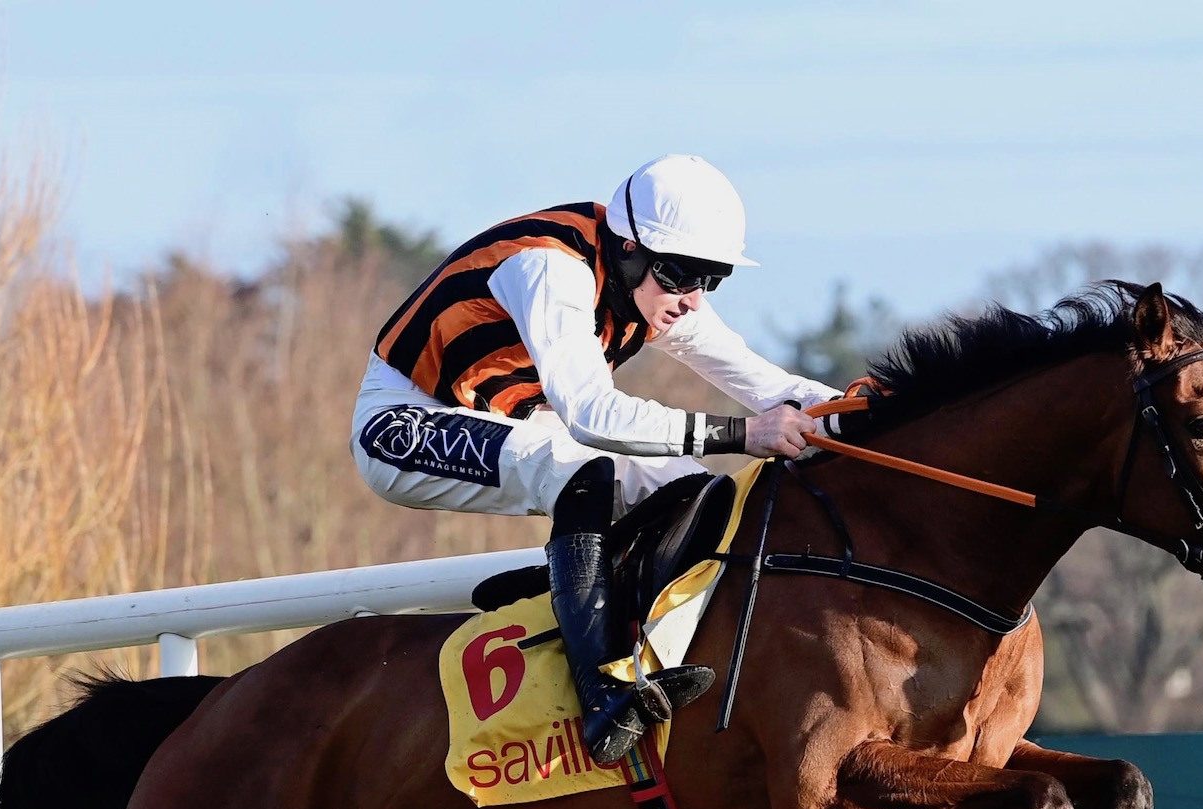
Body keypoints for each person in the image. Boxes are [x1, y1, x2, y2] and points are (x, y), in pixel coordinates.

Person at [351, 154, 840, 763]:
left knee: (693, 490)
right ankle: (603, 697)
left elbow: (768, 385)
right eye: (683, 274)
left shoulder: (654, 287)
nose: (691, 299)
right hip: (402, 424)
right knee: (585, 470)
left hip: (513, 419)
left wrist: (854, 408)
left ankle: (633, 635)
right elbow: (592, 416)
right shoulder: (551, 269)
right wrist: (741, 434)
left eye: (709, 279)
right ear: (628, 248)